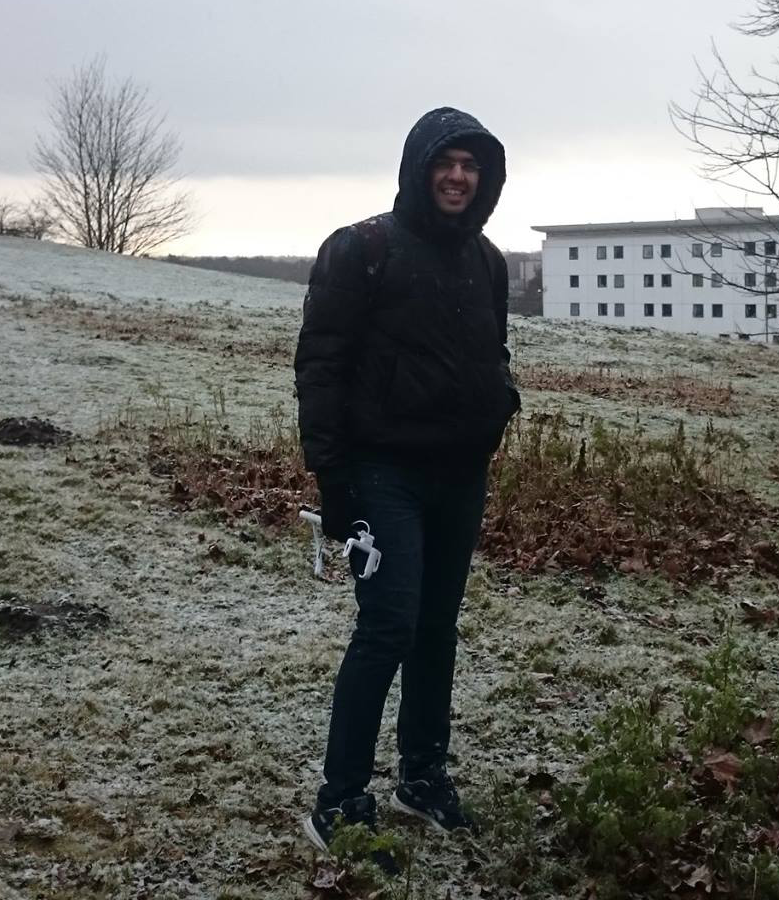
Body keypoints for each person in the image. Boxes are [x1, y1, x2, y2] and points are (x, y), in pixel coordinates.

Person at [293, 107, 520, 866]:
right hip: (381, 474)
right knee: (387, 627)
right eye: (445, 161)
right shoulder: (363, 249)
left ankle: (421, 778)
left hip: (460, 474)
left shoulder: (487, 260)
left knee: (435, 630)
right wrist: (334, 483)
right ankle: (340, 801)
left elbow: (493, 350)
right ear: (418, 166)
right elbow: (320, 366)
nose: (459, 176)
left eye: (472, 164)